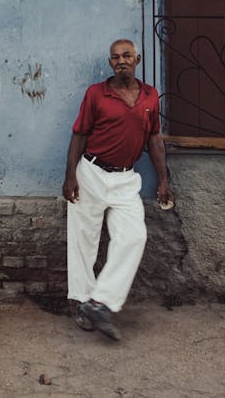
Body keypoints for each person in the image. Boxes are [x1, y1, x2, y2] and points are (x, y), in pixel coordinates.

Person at [62, 38, 172, 341]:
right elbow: (79, 135)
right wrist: (70, 176)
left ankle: (101, 302)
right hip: (92, 173)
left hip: (125, 179)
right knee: (83, 241)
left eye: (126, 55)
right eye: (115, 57)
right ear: (110, 63)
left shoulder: (151, 97)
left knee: (134, 235)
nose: (120, 60)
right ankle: (84, 304)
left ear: (137, 58)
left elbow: (154, 140)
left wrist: (163, 179)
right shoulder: (96, 94)